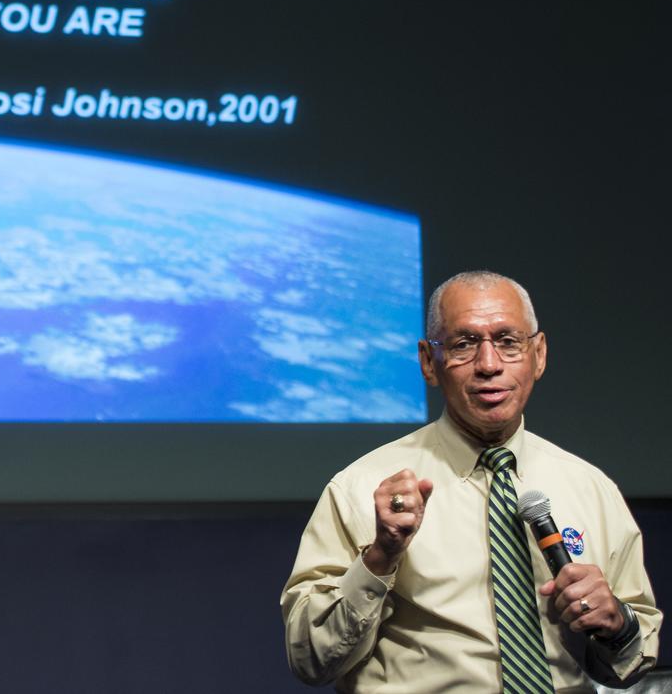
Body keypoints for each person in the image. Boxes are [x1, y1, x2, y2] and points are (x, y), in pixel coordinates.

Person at [281, 270, 662, 692]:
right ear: (429, 362)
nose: (489, 364)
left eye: (508, 342)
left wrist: (617, 625)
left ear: (539, 354)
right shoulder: (360, 487)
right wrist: (381, 557)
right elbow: (311, 659)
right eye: (463, 344)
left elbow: (631, 664)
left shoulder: (591, 488)